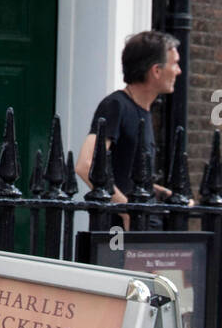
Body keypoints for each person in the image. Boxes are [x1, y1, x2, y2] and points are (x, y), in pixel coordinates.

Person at [75, 31, 181, 215]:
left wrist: (164, 193)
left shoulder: (145, 111)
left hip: (144, 226)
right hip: (119, 233)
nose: (178, 71)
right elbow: (86, 165)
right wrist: (125, 210)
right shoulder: (116, 105)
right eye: (174, 64)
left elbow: (126, 176)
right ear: (156, 70)